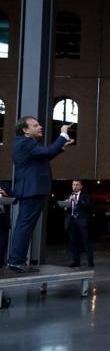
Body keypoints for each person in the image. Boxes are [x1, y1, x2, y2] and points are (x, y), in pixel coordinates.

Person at [8, 117, 74, 273]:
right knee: (24, 226)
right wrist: (63, 134)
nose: (40, 126)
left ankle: (18, 261)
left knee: (25, 226)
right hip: (32, 190)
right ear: (25, 130)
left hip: (32, 189)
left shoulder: (25, 143)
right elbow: (48, 151)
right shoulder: (24, 143)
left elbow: (45, 155)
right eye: (35, 125)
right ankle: (16, 261)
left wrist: (60, 146)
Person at [64, 180, 94, 267]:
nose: (75, 186)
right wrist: (66, 204)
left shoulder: (85, 196)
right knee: (73, 242)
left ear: (81, 186)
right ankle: (76, 261)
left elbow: (88, 205)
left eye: (77, 184)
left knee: (86, 242)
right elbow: (66, 209)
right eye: (73, 184)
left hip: (82, 221)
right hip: (71, 221)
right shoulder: (68, 195)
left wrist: (77, 201)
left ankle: (90, 262)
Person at [0, 182, 12, 268]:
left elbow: (13, 200)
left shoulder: (4, 185)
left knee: (2, 245)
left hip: (2, 221)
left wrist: (5, 195)